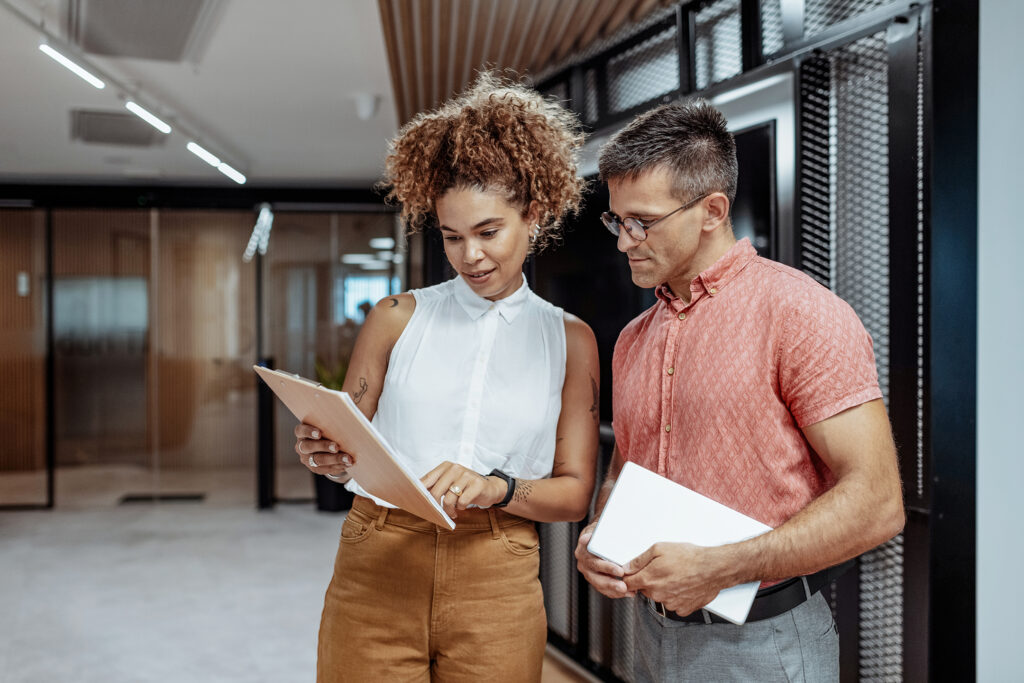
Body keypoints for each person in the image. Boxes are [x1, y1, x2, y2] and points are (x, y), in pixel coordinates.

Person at [573, 100, 905, 681]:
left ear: (712, 210)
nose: (624, 242)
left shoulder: (801, 313)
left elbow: (878, 504)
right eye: (616, 222)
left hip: (766, 642)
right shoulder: (632, 339)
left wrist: (721, 567)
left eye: (641, 223)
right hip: (651, 633)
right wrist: (601, 534)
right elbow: (628, 463)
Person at [294, 73, 600, 683]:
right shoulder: (395, 318)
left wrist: (496, 489)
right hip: (377, 559)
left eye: (489, 232)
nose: (471, 257)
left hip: (498, 569)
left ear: (532, 214)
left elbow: (572, 494)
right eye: (452, 237)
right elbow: (344, 439)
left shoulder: (570, 340)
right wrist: (319, 451)